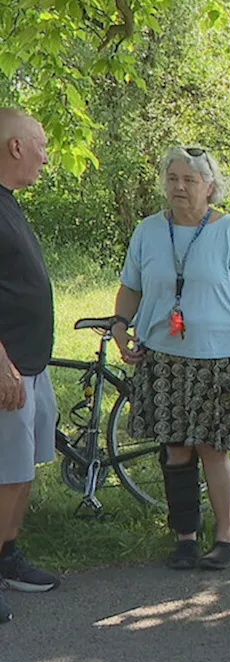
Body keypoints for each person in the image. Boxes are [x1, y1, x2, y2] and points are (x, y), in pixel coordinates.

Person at [110, 145, 230, 571]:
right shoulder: (148, 230)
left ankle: (225, 535)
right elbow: (131, 287)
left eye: (190, 180)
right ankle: (184, 536)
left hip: (216, 359)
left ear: (210, 186)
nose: (179, 187)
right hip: (162, 355)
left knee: (213, 447)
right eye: (173, 179)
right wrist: (121, 326)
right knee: (176, 448)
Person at [0, 108, 59, 623]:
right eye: (39, 144)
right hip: (8, 368)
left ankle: (8, 557)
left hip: (32, 366)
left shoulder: (11, 204)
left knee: (23, 470)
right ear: (15, 147)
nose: (45, 154)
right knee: (5, 472)